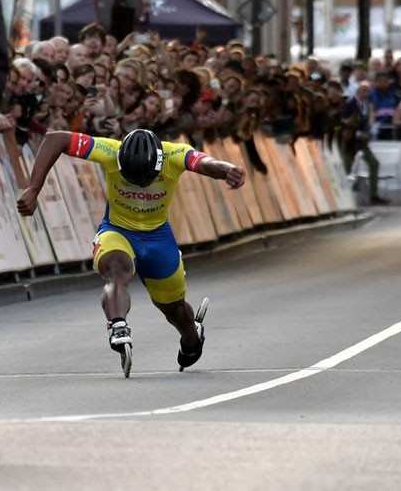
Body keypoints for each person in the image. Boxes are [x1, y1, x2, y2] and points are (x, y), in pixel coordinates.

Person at [16, 129, 246, 376]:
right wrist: (33, 188)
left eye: (146, 178)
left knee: (175, 310)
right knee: (116, 269)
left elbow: (205, 162)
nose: (139, 184)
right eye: (131, 178)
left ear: (159, 164)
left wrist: (226, 170)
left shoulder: (175, 154)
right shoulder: (110, 151)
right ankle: (118, 326)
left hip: (158, 239)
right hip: (118, 230)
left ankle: (192, 335)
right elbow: (56, 139)